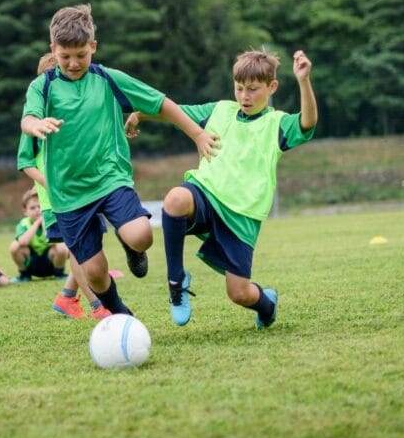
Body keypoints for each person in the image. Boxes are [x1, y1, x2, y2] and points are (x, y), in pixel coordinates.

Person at [21, 4, 217, 315]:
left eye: (81, 55)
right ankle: (120, 314)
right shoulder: (42, 87)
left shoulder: (108, 80)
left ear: (93, 48)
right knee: (95, 272)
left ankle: (128, 245)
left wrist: (196, 134)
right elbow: (28, 118)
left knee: (141, 236)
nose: (73, 63)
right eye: (65, 56)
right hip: (68, 195)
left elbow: (160, 102)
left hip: (110, 178)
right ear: (53, 50)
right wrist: (36, 124)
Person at [125, 49, 317, 327]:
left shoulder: (277, 124)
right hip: (206, 194)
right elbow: (176, 112)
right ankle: (176, 282)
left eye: (252, 89)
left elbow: (308, 122)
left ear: (271, 87)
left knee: (239, 293)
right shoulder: (219, 110)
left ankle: (267, 305)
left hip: (242, 216)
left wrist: (303, 81)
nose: (244, 96)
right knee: (176, 198)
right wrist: (139, 115)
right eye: (239, 88)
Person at [17, 53, 112, 319]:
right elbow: (25, 162)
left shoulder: (75, 114)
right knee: (79, 251)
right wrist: (51, 183)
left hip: (85, 194)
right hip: (57, 201)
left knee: (90, 250)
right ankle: (96, 305)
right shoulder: (35, 122)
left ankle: (67, 297)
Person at [9, 188, 69, 282]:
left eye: (40, 206)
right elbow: (23, 242)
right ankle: (24, 275)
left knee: (61, 245)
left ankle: (59, 274)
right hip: (32, 263)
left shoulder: (51, 221)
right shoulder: (23, 224)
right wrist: (37, 223)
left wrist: (44, 222)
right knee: (14, 246)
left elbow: (52, 242)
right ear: (25, 211)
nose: (37, 210)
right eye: (32, 208)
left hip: (50, 262)